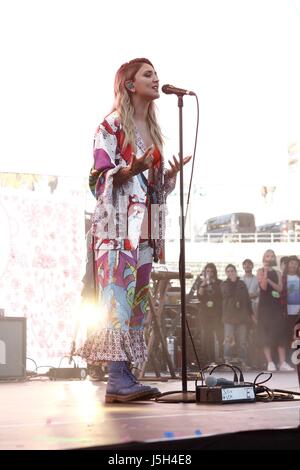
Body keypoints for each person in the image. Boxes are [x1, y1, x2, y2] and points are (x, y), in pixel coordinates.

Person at [77, 58, 191, 403]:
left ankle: (124, 376)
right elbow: (98, 180)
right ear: (129, 84)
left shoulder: (153, 134)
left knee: (137, 303)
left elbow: (153, 191)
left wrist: (166, 179)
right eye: (148, 74)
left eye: (156, 74)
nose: (156, 79)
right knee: (117, 302)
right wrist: (128, 169)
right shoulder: (110, 127)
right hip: (115, 232)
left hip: (143, 235)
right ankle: (115, 378)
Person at [257, 249, 293, 371]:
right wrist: (265, 273)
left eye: (272, 256)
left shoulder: (278, 272)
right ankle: (270, 362)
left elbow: (279, 289)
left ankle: (282, 363)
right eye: (267, 256)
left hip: (276, 307)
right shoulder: (260, 271)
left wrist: (269, 280)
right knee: (266, 335)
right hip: (264, 308)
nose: (270, 257)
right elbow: (263, 286)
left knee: (280, 334)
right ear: (264, 258)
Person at [221, 264, 254, 367]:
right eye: (229, 271)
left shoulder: (242, 283)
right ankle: (227, 360)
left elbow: (247, 300)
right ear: (226, 273)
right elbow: (227, 294)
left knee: (242, 340)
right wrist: (233, 282)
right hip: (229, 317)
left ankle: (243, 361)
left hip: (242, 316)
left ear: (235, 271)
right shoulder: (224, 284)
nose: (231, 273)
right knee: (228, 340)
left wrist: (251, 314)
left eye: (232, 271)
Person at [197, 263, 223, 365]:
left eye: (212, 271)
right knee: (206, 336)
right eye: (208, 271)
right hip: (205, 313)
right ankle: (208, 359)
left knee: (219, 335)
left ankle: (219, 358)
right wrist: (204, 283)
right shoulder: (201, 283)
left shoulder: (219, 283)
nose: (210, 273)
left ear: (215, 272)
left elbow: (221, 296)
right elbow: (199, 296)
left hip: (217, 312)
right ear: (205, 272)